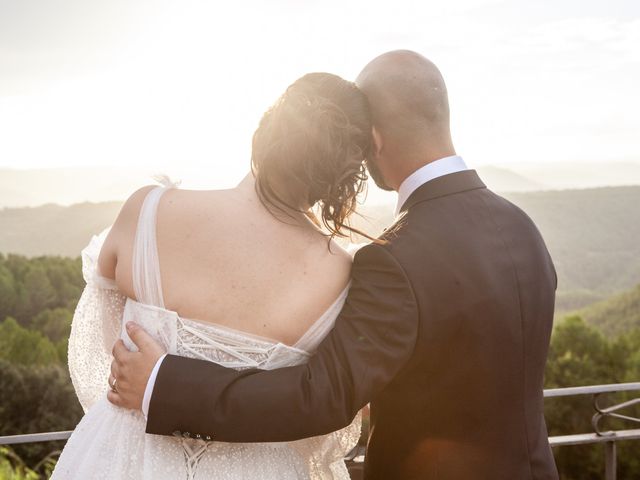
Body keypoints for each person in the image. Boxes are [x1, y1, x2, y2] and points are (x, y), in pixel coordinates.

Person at [111, 50, 560, 479]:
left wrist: (162, 385)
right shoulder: (522, 228)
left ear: (374, 141)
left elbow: (322, 397)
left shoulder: (394, 258)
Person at [52, 72, 374, 480]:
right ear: (345, 175)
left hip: (120, 460)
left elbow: (104, 352)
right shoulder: (339, 273)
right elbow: (319, 428)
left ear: (266, 131)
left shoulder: (147, 210)